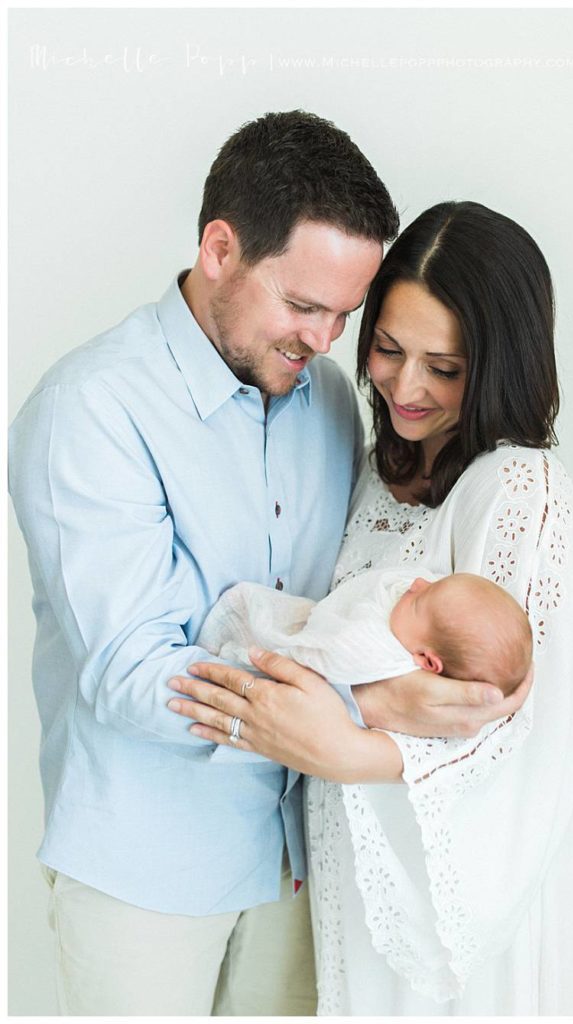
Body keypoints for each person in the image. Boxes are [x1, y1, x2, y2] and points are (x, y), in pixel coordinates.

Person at [9, 113, 528, 1017]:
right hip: (145, 879)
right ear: (219, 249)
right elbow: (136, 674)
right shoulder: (88, 411)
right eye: (302, 304)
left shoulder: (325, 397)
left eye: (344, 314)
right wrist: (364, 705)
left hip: (295, 867)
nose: (326, 339)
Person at [168, 200, 573, 1015]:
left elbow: (533, 728)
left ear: (499, 363)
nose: (405, 386)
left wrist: (348, 745)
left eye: (445, 367)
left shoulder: (521, 490)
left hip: (463, 884)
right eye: (390, 351)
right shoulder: (371, 470)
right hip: (356, 861)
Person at [197, 567, 531, 698]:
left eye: (421, 599)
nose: (416, 583)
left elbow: (326, 647)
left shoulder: (374, 652)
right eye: (433, 583)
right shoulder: (414, 620)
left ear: (427, 661)